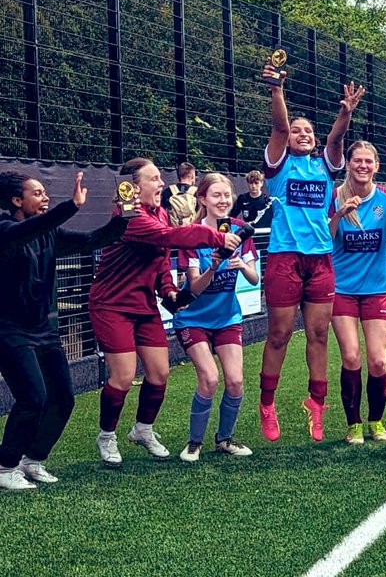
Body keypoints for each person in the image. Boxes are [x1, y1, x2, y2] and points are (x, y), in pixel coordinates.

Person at [90, 158, 240, 466]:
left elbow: (160, 259)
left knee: (159, 374)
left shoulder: (158, 212)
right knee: (123, 376)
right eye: (154, 178)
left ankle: (142, 430)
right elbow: (167, 238)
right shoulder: (128, 215)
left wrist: (169, 290)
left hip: (144, 305)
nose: (161, 184)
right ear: (133, 187)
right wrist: (217, 236)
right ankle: (106, 436)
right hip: (111, 305)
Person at [256, 62, 364, 443]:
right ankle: (267, 404)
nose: (301, 134)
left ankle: (316, 405)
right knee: (280, 334)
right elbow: (280, 127)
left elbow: (336, 142)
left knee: (319, 334)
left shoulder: (324, 165)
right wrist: (277, 90)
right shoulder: (278, 165)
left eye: (308, 131)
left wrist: (345, 113)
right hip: (285, 257)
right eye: (297, 131)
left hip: (320, 259)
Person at [0, 171, 127, 489]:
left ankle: (33, 460)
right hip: (8, 328)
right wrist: (72, 204)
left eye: (46, 193)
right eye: (38, 193)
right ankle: (5, 467)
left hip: (42, 328)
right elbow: (30, 230)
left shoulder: (49, 233)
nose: (45, 198)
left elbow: (91, 241)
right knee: (32, 399)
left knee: (62, 399)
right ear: (17, 200)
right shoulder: (5, 230)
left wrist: (124, 215)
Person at [174, 173, 259, 462]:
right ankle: (194, 442)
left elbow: (254, 275)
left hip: (227, 317)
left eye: (227, 195)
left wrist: (240, 265)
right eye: (216, 196)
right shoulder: (192, 234)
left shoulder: (239, 231)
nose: (223, 201)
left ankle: (224, 439)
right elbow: (194, 288)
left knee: (235, 382)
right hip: (193, 318)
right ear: (202, 200)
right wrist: (214, 267)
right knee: (209, 378)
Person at [329, 141, 386, 444]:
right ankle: (353, 424)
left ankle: (376, 421)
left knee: (378, 361)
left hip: (377, 289)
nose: (363, 166)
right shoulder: (335, 197)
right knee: (352, 357)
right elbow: (324, 239)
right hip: (342, 289)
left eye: (369, 161)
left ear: (376, 166)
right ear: (348, 164)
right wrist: (339, 215)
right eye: (357, 160)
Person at [162, 161, 198, 227]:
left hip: (172, 230)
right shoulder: (197, 192)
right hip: (191, 230)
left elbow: (161, 212)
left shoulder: (168, 191)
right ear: (192, 176)